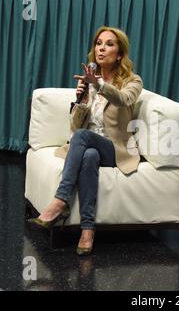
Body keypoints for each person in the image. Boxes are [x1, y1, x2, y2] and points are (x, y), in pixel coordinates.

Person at [28, 26, 143, 256]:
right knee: (89, 155)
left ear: (119, 54)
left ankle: (60, 201)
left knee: (82, 138)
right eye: (99, 43)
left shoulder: (133, 81)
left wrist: (99, 85)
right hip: (90, 147)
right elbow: (76, 125)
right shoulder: (89, 81)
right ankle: (87, 230)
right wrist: (82, 98)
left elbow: (122, 100)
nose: (101, 48)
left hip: (115, 149)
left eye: (109, 44)